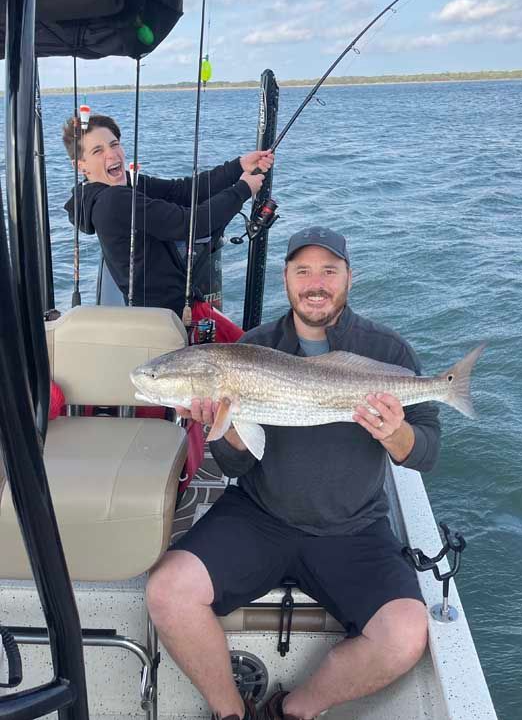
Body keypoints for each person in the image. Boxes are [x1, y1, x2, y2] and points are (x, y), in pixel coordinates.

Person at [145, 225, 441, 720]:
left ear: (350, 277)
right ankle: (230, 711)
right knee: (166, 591)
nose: (315, 283)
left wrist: (395, 434)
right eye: (303, 271)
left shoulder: (388, 353)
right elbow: (238, 464)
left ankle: (292, 710)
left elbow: (425, 453)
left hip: (353, 527)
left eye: (329, 270)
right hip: (262, 514)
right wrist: (222, 426)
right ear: (286, 278)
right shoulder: (253, 348)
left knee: (406, 634)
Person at [62, 113, 273, 319]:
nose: (112, 154)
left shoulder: (122, 185)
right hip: (165, 318)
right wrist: (243, 189)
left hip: (175, 308)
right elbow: (191, 224)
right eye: (98, 151)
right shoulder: (114, 200)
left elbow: (180, 191)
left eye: (114, 144)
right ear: (80, 166)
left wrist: (237, 167)